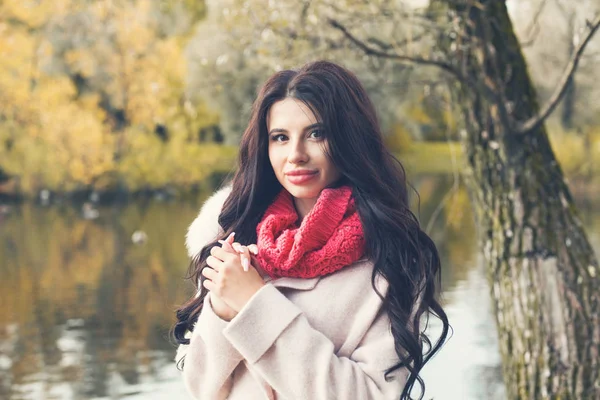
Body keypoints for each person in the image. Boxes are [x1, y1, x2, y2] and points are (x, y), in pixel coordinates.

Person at [173, 60, 449, 400]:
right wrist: (224, 309)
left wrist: (254, 305)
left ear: (348, 139)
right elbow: (201, 389)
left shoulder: (391, 258)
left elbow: (371, 395)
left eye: (316, 134)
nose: (296, 155)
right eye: (280, 138)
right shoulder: (234, 235)